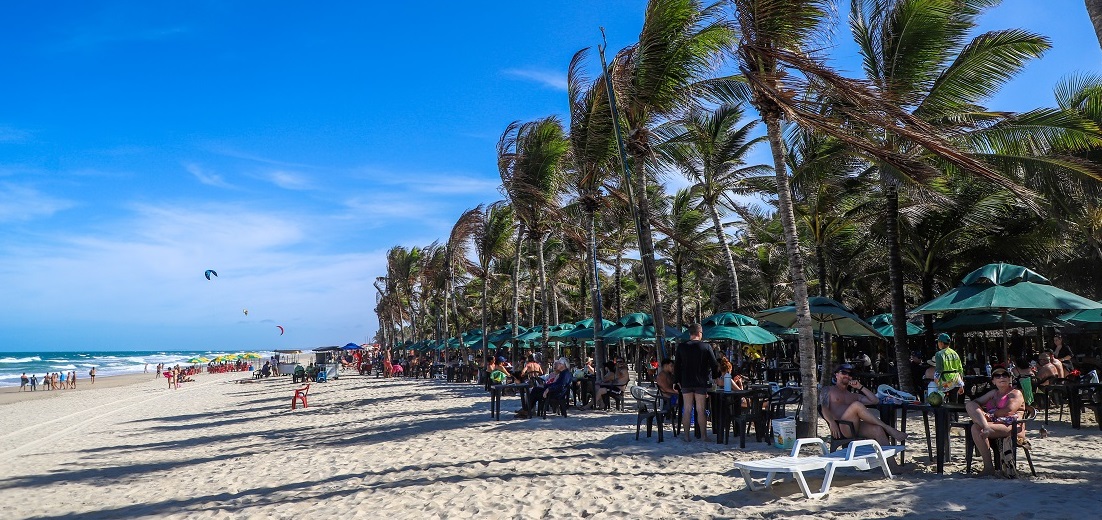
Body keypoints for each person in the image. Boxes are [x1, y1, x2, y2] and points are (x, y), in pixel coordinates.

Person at [822, 363, 906, 445]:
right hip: (840, 427)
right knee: (856, 405)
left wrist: (860, 387)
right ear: (836, 374)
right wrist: (831, 422)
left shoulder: (853, 395)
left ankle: (888, 454)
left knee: (878, 429)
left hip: (855, 426)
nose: (847, 376)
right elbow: (824, 408)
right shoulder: (828, 390)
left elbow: (875, 400)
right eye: (843, 372)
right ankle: (888, 428)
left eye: (850, 374)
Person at [965, 367, 1025, 476]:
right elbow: (976, 402)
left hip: (1012, 425)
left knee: (977, 428)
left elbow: (1009, 410)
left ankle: (985, 428)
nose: (1001, 377)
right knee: (970, 407)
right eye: (998, 376)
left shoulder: (1015, 393)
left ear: (1010, 378)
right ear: (993, 381)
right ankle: (988, 466)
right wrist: (981, 413)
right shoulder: (994, 393)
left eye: (1005, 375)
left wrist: (991, 415)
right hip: (995, 423)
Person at [674, 323, 719, 442]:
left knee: (687, 409)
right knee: (701, 409)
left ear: (690, 333)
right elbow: (714, 364)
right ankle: (703, 436)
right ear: (699, 333)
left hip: (686, 381)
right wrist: (715, 377)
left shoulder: (682, 347)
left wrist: (676, 381)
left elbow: (677, 365)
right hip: (701, 382)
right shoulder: (706, 347)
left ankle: (686, 436)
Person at [932, 333, 964, 398]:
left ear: (941, 343)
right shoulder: (955, 353)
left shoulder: (939, 354)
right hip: (956, 380)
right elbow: (960, 369)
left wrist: (936, 381)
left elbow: (939, 369)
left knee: (940, 401)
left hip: (945, 382)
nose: (938, 344)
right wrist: (961, 385)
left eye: (938, 342)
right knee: (954, 402)